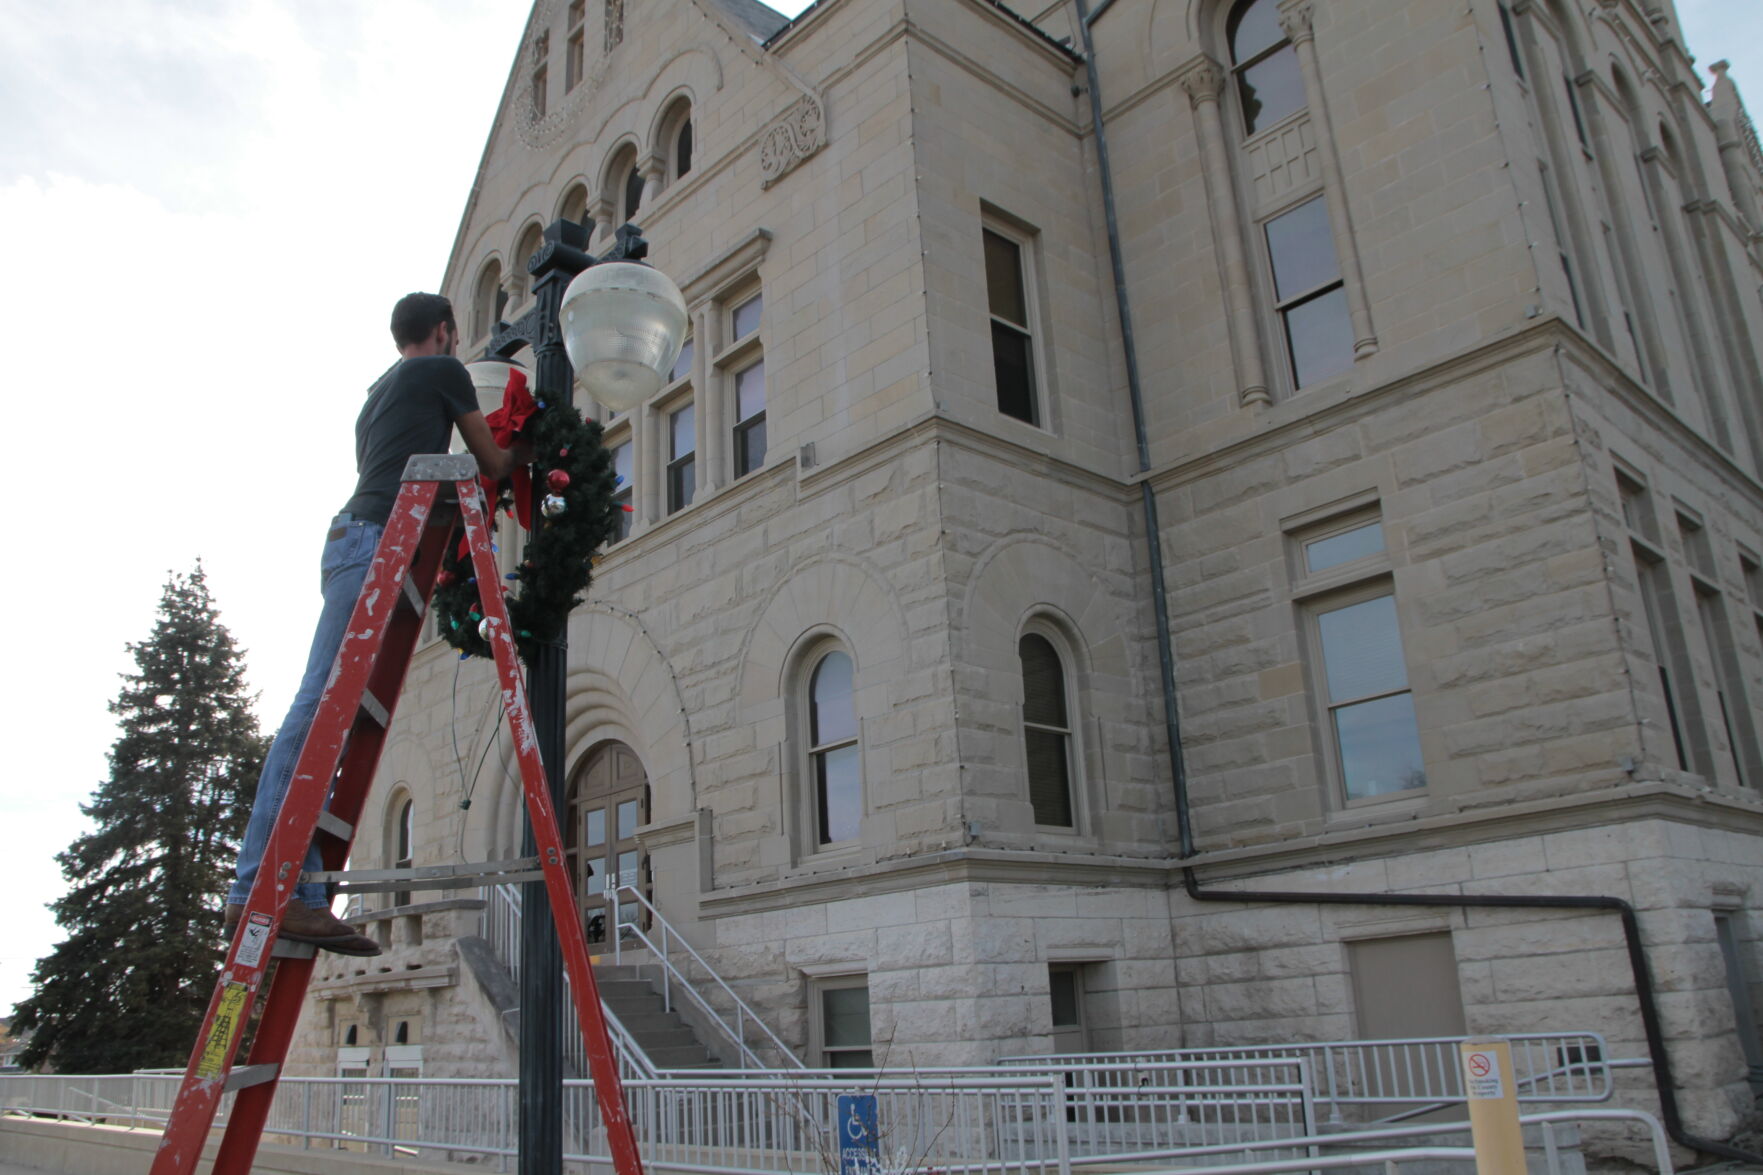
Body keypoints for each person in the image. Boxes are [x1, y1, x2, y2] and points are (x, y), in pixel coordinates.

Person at [225, 293, 525, 955]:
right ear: (444, 331)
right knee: (316, 708)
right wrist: (524, 438)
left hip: (350, 540)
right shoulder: (444, 371)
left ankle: (299, 895)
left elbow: (395, 467)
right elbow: (491, 462)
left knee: (325, 716)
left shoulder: (378, 394)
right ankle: (256, 887)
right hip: (371, 541)